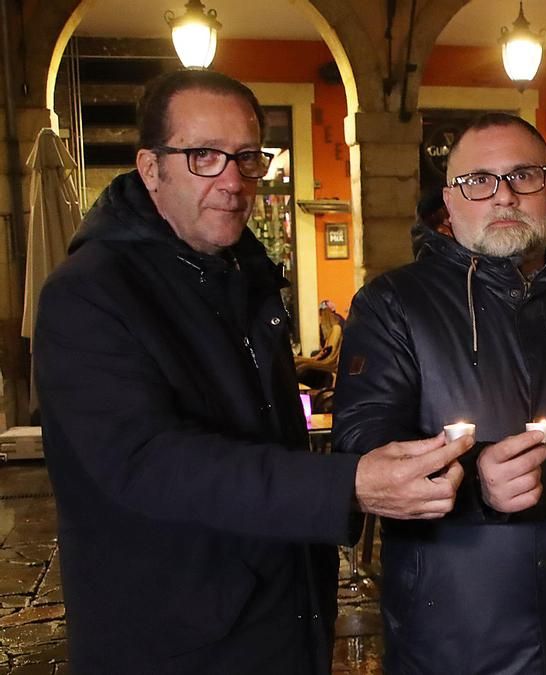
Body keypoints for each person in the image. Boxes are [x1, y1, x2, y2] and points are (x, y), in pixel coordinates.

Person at [35, 69, 473, 674]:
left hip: (278, 612)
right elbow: (144, 460)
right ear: (149, 167)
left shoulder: (240, 272)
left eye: (246, 157)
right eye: (202, 157)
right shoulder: (89, 294)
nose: (232, 181)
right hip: (174, 637)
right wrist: (344, 486)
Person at [333, 112, 546, 673]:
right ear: (450, 199)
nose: (503, 196)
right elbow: (362, 453)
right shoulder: (395, 306)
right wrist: (474, 485)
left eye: (524, 176)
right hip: (456, 636)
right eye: (479, 180)